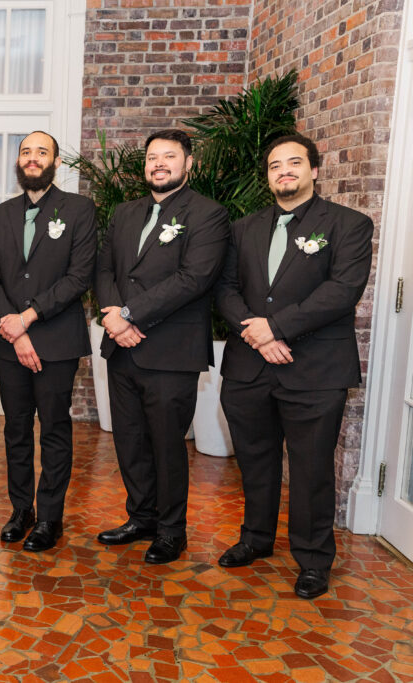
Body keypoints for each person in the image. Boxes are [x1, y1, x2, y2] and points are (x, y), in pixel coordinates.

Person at [215, 134, 373, 599]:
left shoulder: (349, 224)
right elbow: (224, 288)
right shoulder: (243, 228)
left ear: (314, 170)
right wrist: (256, 334)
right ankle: (255, 539)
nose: (284, 171)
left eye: (294, 163)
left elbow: (341, 292)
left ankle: (313, 559)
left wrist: (276, 328)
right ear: (267, 176)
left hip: (315, 370)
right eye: (275, 165)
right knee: (255, 462)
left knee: (311, 470)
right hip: (249, 367)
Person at [94, 129, 229, 564]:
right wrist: (114, 315)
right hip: (122, 347)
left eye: (169, 156)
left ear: (189, 164)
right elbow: (104, 268)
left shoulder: (208, 214)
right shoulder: (124, 213)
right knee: (130, 440)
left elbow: (195, 278)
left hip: (171, 350)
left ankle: (173, 530)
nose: (158, 163)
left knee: (167, 445)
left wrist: (128, 314)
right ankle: (142, 517)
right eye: (152, 157)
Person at [0, 131, 97, 552]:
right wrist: (13, 328)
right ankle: (21, 510)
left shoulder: (79, 210)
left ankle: (50, 516)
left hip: (56, 341)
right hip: (9, 342)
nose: (33, 159)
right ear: (18, 161)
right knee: (15, 429)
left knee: (53, 429)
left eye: (41, 152)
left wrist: (27, 319)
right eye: (26, 152)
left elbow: (79, 276)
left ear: (55, 162)